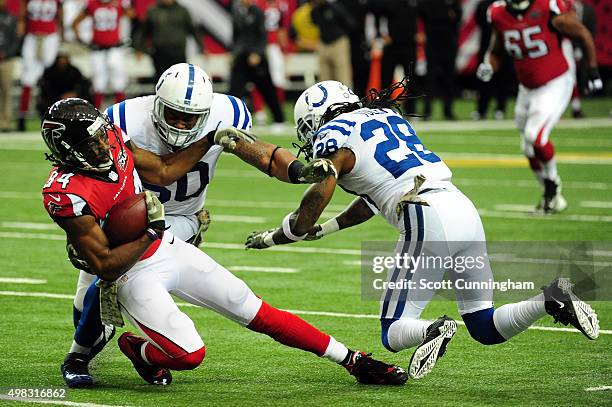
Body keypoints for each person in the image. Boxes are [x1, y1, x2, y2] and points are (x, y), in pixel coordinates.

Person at [244, 80, 600, 380]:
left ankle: (434, 329)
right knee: (484, 326)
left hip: (425, 216)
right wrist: (326, 229)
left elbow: (321, 187)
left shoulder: (333, 134)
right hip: (462, 208)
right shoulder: (385, 115)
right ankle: (549, 299)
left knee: (393, 331)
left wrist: (287, 233)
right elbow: (374, 196)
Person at [41, 97, 407, 388]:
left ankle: (354, 360)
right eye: (92, 143)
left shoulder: (114, 139)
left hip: (163, 245)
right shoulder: (66, 193)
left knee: (256, 310)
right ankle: (101, 354)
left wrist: (210, 140)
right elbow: (105, 264)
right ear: (67, 150)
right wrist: (152, 230)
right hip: (127, 270)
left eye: (103, 135)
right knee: (188, 354)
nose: (105, 145)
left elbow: (164, 169)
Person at [477, 0, 603, 214]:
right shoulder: (498, 13)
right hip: (527, 87)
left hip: (555, 81)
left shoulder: (548, 7)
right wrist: (489, 65)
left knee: (535, 136)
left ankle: (553, 183)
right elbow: (497, 49)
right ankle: (552, 196)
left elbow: (582, 34)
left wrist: (592, 70)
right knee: (527, 147)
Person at [229, 0, 284, 127]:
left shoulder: (257, 11)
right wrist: (233, 54)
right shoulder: (236, 11)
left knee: (267, 89)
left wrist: (258, 53)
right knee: (235, 90)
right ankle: (230, 119)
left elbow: (262, 35)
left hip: (256, 57)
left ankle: (279, 119)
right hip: (241, 56)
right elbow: (236, 36)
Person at [71, 0, 134, 109]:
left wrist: (124, 6)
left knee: (118, 81)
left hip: (115, 48)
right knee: (98, 82)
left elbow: (133, 16)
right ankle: (97, 114)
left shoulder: (118, 3)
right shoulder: (92, 4)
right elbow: (75, 22)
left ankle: (121, 112)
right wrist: (82, 39)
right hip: (98, 49)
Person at [17, 0, 63, 131]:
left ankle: (52, 116)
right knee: (28, 78)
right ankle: (22, 116)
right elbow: (22, 16)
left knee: (49, 77)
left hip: (50, 37)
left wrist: (61, 34)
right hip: (33, 37)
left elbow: (60, 15)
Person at [134, 0, 201, 82]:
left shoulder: (182, 11)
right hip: (159, 53)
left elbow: (193, 30)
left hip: (178, 53)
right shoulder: (153, 10)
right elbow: (143, 31)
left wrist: (202, 47)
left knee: (180, 80)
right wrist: (139, 48)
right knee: (161, 80)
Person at [418, 0, 462, 120]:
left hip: (449, 43)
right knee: (430, 78)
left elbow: (458, 17)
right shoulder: (429, 3)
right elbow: (422, 14)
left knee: (449, 78)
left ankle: (448, 111)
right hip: (433, 42)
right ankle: (427, 111)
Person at [309, 0, 355, 87]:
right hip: (323, 43)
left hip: (338, 43)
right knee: (324, 79)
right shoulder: (316, 10)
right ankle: (328, 100)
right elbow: (313, 21)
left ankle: (347, 99)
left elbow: (351, 24)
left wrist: (340, 33)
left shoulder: (335, 6)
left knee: (343, 76)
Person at [36, 46, 91, 118]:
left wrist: (75, 93)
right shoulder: (49, 72)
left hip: (73, 99)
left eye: (64, 58)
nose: (62, 61)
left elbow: (83, 84)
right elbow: (46, 88)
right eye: (60, 58)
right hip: (54, 99)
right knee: (43, 104)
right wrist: (60, 96)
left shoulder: (74, 70)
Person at [0, 0, 19, 131]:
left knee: (7, 92)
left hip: (7, 60)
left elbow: (15, 39)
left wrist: (7, 53)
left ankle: (6, 123)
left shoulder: (12, 18)